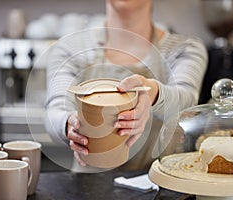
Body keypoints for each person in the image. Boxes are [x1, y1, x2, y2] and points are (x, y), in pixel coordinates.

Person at [46, 0, 207, 171]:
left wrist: (153, 93)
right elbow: (55, 111)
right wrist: (69, 125)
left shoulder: (184, 49)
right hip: (88, 186)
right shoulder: (71, 48)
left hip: (158, 185)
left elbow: (187, 102)